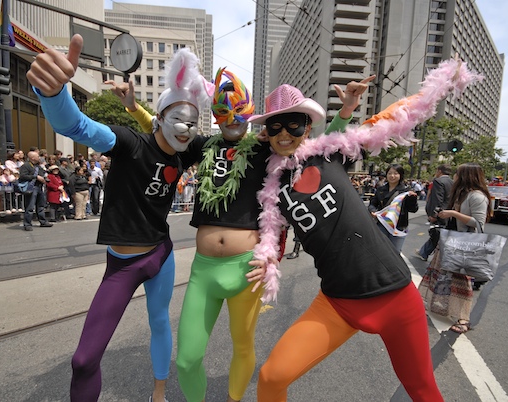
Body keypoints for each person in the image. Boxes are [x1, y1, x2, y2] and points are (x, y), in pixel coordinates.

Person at [118, 65, 370, 401]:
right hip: (203, 270)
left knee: (242, 346)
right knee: (188, 358)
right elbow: (166, 133)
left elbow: (319, 146)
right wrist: (135, 109)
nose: (231, 119)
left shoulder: (265, 148)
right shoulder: (202, 145)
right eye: (223, 113)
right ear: (216, 116)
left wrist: (346, 111)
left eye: (239, 111)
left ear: (250, 112)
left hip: (246, 268)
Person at [250, 59, 480, 401]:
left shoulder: (329, 156)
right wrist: (268, 259)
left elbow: (384, 121)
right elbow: (274, 235)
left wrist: (442, 82)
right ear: (266, 132)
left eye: (294, 124)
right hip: (337, 302)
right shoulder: (271, 186)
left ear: (308, 128)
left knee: (422, 389)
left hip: (395, 295)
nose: (285, 133)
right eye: (276, 126)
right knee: (271, 377)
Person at [27, 34, 212, 402]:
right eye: (177, 119)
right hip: (123, 264)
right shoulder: (130, 143)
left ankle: (159, 393)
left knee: (160, 322)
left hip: (160, 256)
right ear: (159, 119)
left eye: (192, 123)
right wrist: (53, 95)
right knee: (83, 360)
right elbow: (77, 126)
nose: (186, 128)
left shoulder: (184, 153)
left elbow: (232, 139)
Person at [434, 163, 492, 333]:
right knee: (445, 277)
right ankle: (447, 309)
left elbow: (478, 224)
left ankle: (464, 319)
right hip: (451, 241)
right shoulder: (461, 193)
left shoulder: (477, 196)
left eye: (457, 174)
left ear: (466, 176)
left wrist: (452, 213)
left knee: (462, 282)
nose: (454, 176)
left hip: (464, 245)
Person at [368, 164, 418, 252]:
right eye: (390, 173)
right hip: (382, 224)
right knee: (380, 251)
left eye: (395, 173)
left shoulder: (406, 190)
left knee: (395, 252)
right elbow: (373, 204)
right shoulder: (380, 189)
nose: (392, 176)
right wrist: (373, 211)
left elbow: (413, 209)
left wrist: (412, 199)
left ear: (400, 175)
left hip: (399, 226)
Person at [415, 164, 453, 261]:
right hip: (448, 212)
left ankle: (426, 253)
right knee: (437, 234)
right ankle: (424, 251)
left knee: (436, 234)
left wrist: (434, 214)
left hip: (440, 213)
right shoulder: (452, 182)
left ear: (439, 171)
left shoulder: (438, 181)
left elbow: (437, 199)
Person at [19, 151, 53, 231]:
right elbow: (23, 176)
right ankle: (27, 224)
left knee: (40, 206)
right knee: (30, 207)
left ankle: (43, 221)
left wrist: (44, 177)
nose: (39, 158)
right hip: (31, 188)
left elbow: (43, 173)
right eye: (37, 156)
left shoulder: (38, 166)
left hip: (39, 187)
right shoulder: (26, 166)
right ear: (32, 158)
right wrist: (35, 177)